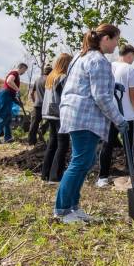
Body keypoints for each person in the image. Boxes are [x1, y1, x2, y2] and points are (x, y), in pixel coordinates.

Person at [54, 24, 131, 224]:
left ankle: (73, 207)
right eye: (116, 40)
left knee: (84, 162)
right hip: (85, 116)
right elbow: (101, 97)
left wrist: (113, 84)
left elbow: (85, 83)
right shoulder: (99, 61)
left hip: (75, 113)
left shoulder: (82, 57)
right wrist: (119, 120)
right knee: (80, 162)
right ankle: (62, 210)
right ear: (106, 38)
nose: (117, 45)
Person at [96, 45, 134, 188]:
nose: (132, 60)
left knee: (107, 145)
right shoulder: (130, 69)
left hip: (109, 113)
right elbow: (133, 95)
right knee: (130, 147)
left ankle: (103, 177)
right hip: (128, 116)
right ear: (129, 55)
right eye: (133, 57)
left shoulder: (108, 66)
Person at [41, 53, 73, 183]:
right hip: (59, 114)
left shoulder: (51, 76)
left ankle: (45, 174)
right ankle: (55, 177)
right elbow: (67, 96)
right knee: (62, 145)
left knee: (52, 143)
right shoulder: (63, 77)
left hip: (49, 113)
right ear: (66, 64)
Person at [0, 62, 28, 143]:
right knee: (3, 117)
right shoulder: (14, 73)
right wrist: (18, 89)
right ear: (22, 68)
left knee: (8, 118)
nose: (24, 72)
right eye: (24, 70)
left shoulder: (16, 75)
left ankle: (8, 138)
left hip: (8, 96)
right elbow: (9, 81)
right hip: (5, 96)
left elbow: (12, 93)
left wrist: (18, 103)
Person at [27, 65, 51, 145]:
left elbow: (31, 93)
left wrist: (34, 101)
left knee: (34, 124)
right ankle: (42, 130)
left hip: (37, 104)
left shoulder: (37, 79)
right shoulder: (49, 79)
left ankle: (31, 141)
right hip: (47, 105)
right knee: (51, 120)